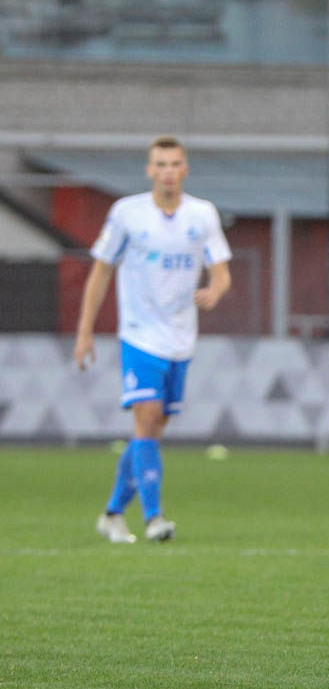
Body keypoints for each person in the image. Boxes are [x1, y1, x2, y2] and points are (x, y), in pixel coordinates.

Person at [74, 136, 232, 543]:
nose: (167, 171)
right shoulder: (127, 213)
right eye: (160, 164)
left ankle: (112, 514)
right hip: (139, 335)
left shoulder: (202, 214)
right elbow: (101, 271)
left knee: (152, 430)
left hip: (181, 338)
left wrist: (215, 292)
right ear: (149, 170)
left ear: (185, 170)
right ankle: (153, 518)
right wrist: (85, 331)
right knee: (146, 417)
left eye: (174, 164)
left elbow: (221, 271)